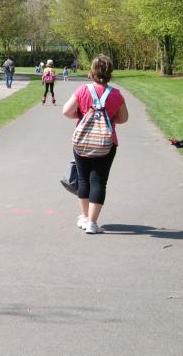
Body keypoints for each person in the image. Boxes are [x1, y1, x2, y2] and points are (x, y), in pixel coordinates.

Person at [62, 54, 129, 234]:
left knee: (83, 179)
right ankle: (92, 222)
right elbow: (124, 118)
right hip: (106, 143)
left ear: (91, 71)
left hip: (82, 141)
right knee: (99, 181)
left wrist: (82, 116)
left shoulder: (83, 91)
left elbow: (66, 111)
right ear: (110, 73)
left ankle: (84, 217)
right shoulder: (115, 95)